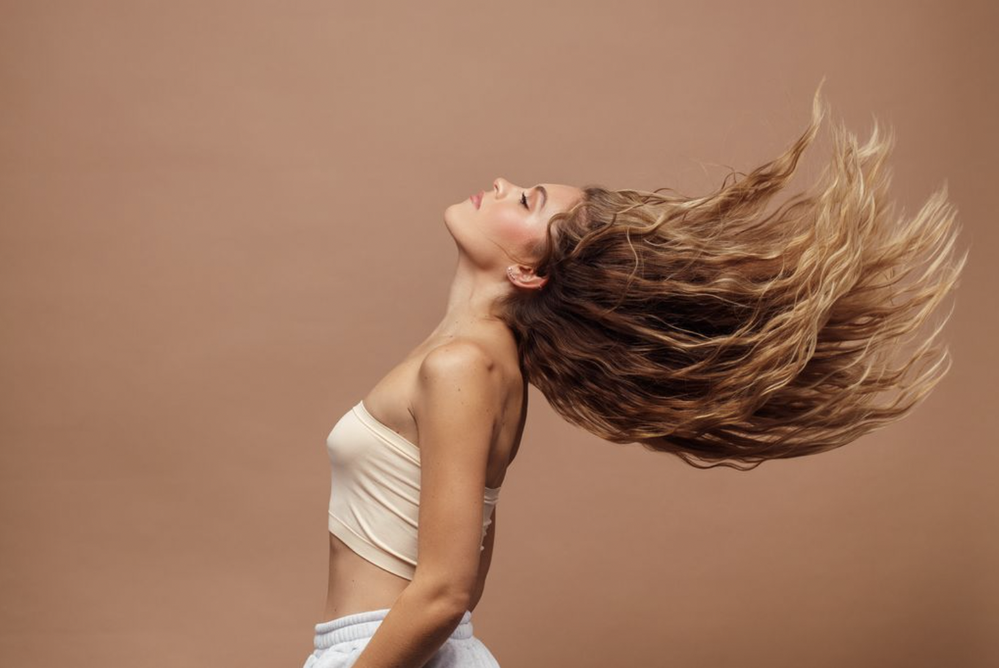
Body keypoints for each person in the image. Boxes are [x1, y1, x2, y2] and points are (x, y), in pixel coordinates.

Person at [301, 80, 967, 667]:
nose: (502, 184)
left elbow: (447, 592)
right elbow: (461, 579)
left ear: (527, 271)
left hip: (381, 653)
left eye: (528, 201)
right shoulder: (479, 362)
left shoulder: (463, 366)